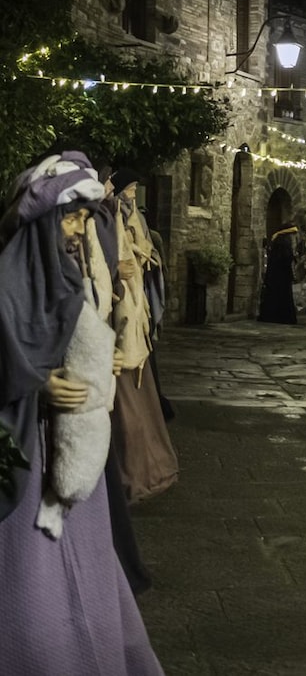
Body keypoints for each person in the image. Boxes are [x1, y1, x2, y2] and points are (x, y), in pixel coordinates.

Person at [0, 153, 162, 674]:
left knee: (88, 570)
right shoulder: (7, 281)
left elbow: (73, 331)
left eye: (86, 219)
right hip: (28, 459)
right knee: (34, 581)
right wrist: (37, 382)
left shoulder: (65, 276)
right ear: (43, 219)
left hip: (70, 462)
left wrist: (102, 358)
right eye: (73, 217)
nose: (79, 229)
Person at [107, 172, 176, 503]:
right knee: (125, 410)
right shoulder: (108, 215)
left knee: (139, 402)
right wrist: (117, 268)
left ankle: (142, 466)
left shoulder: (125, 214)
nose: (133, 194)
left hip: (135, 313)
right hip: (119, 318)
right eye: (129, 188)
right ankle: (129, 470)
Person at [257, 223, 299, 325]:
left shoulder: (278, 240)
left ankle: (272, 316)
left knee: (274, 294)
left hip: (275, 274)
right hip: (281, 275)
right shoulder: (284, 242)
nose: (293, 236)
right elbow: (285, 258)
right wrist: (294, 257)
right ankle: (283, 317)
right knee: (283, 295)